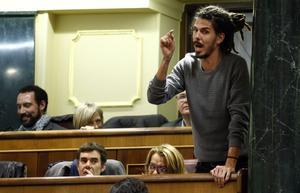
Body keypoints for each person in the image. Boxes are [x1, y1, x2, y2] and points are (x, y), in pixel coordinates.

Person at [147, 5, 250, 187]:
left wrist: (229, 164)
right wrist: (166, 59)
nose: (196, 37)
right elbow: (156, 97)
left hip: (237, 161)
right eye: (195, 30)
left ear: (220, 37)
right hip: (205, 161)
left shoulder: (236, 66)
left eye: (204, 31)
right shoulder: (187, 64)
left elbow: (239, 118)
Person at [45, 142, 125, 176]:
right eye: (84, 161)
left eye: (94, 161)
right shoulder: (60, 172)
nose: (88, 165)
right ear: (77, 165)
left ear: (102, 167)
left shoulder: (115, 169)